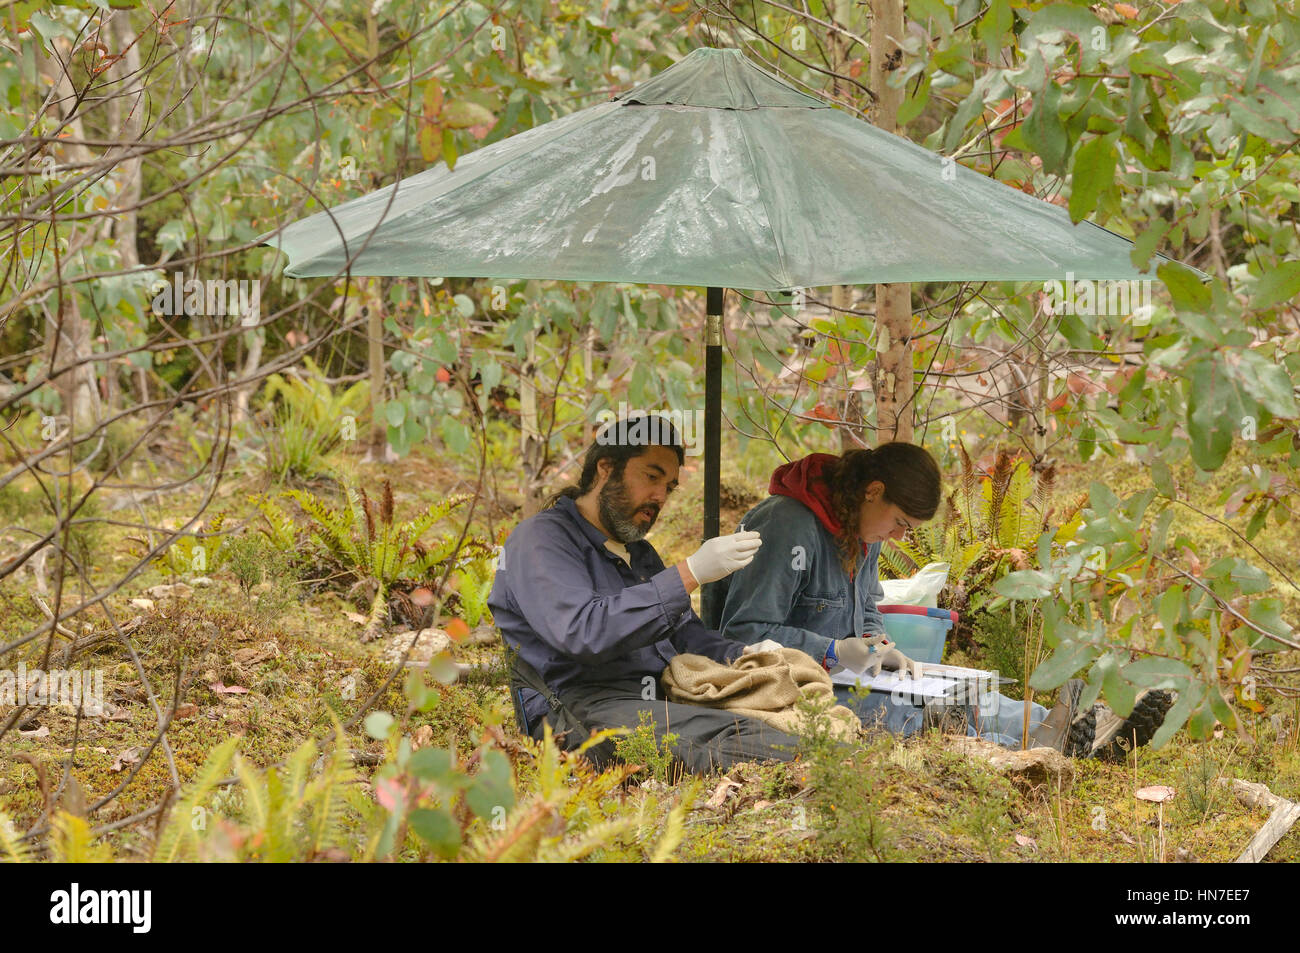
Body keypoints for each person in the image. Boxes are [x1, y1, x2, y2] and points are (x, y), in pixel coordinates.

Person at [715, 444, 1173, 758]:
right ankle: (1032, 751)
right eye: (898, 522)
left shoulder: (861, 522)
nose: (897, 537)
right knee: (915, 715)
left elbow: (868, 604)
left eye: (907, 530)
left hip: (851, 677)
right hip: (792, 688)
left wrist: (879, 645)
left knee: (967, 695)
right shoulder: (788, 525)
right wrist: (833, 651)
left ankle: (1073, 728)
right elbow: (741, 634)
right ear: (871, 490)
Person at [487, 413, 802, 774]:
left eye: (669, 487)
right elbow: (583, 632)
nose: (659, 496)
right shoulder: (542, 539)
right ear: (605, 468)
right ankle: (830, 769)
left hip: (659, 698)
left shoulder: (639, 553)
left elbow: (685, 635)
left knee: (789, 715)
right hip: (577, 716)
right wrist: (689, 572)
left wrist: (746, 655)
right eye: (651, 477)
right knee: (750, 738)